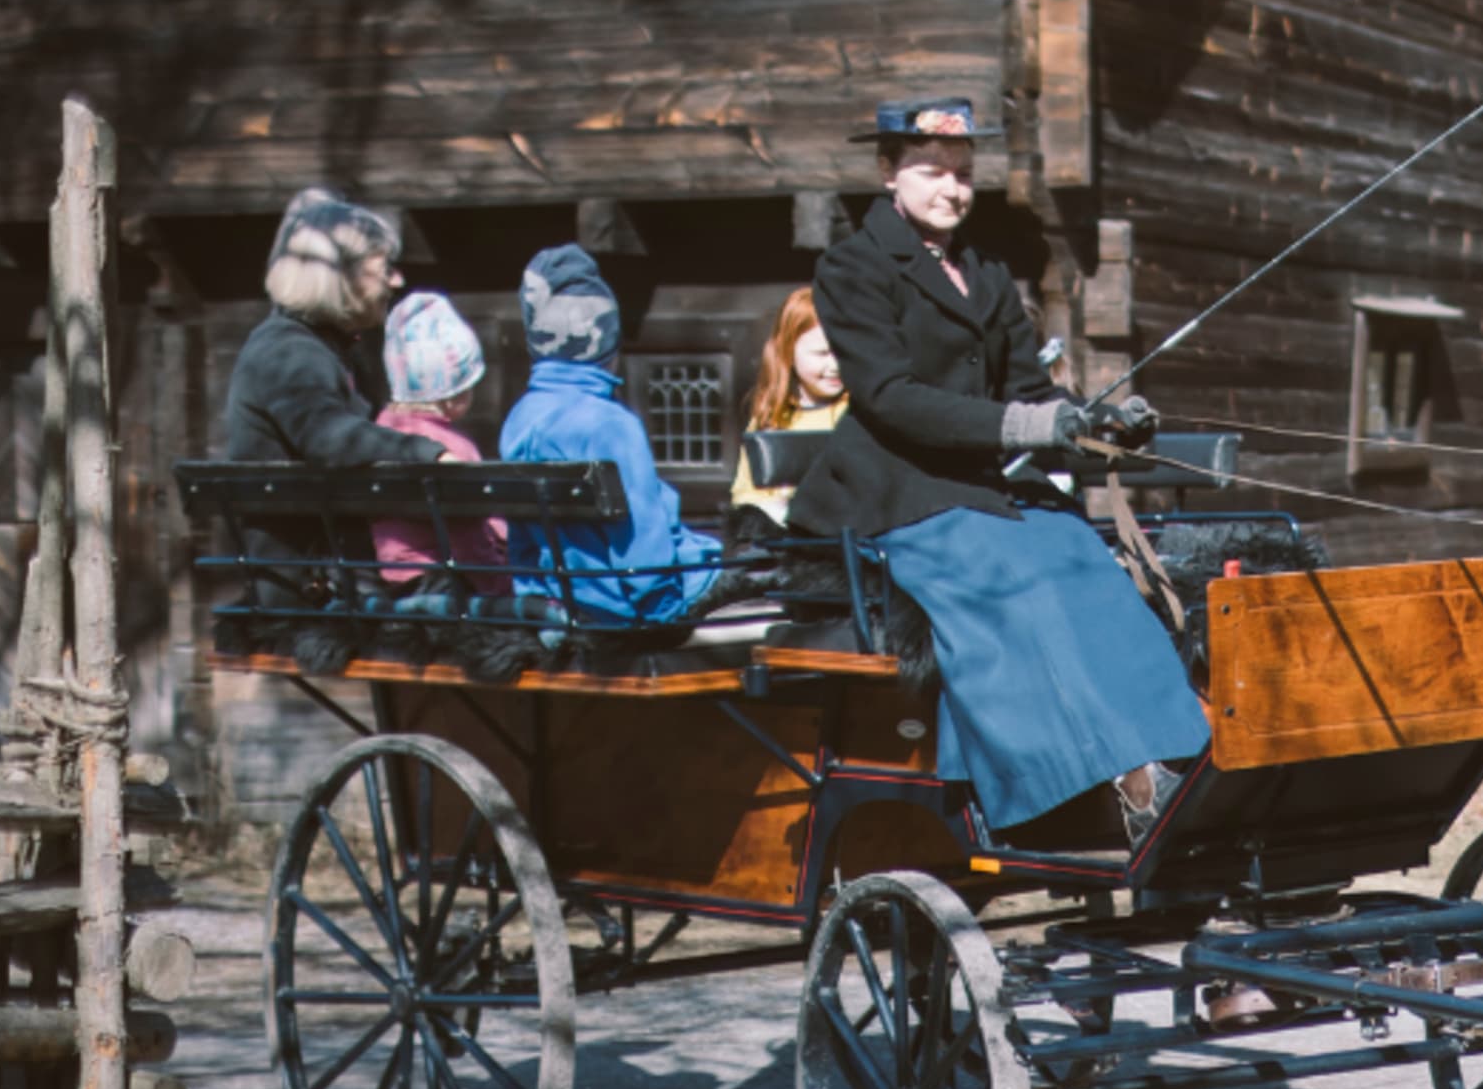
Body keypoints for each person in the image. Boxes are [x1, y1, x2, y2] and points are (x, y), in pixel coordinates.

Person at [785, 96, 1202, 833]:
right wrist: (1028, 423)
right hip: (896, 489)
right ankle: (1125, 784)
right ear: (888, 173)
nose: (951, 188)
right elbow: (890, 398)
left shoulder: (984, 270)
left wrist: (1095, 423)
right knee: (1019, 584)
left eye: (965, 174)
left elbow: (1031, 392)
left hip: (979, 484)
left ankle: (1182, 755)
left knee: (1085, 563)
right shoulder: (851, 268)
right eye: (931, 171)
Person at [218, 189, 446, 668]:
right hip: (314, 590)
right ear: (339, 277)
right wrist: (433, 453)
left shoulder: (321, 347)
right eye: (385, 266)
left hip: (336, 578)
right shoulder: (289, 353)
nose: (397, 280)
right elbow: (331, 437)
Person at [497, 245, 729, 624]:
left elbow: (522, 537)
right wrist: (665, 611)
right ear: (607, 340)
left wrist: (537, 600)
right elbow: (643, 541)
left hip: (560, 603)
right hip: (629, 608)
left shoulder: (521, 417)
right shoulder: (610, 423)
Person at [369, 292, 511, 597]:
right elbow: (468, 541)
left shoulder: (381, 428)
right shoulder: (451, 449)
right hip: (448, 586)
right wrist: (499, 586)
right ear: (455, 394)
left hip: (394, 581)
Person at [728, 286, 846, 531]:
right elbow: (745, 492)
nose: (834, 366)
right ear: (789, 351)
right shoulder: (773, 417)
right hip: (781, 534)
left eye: (843, 353)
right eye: (822, 353)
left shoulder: (856, 413)